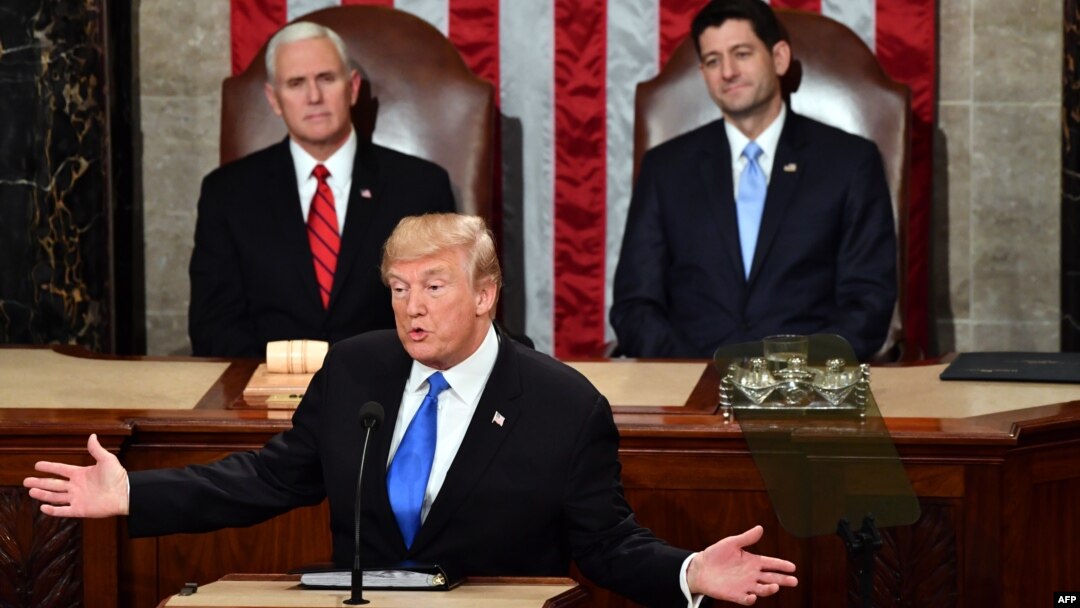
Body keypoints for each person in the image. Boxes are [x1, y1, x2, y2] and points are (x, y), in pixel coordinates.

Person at [26, 213, 797, 607]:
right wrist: (134, 493)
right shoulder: (358, 366)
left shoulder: (563, 405)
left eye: (433, 285)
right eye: (398, 287)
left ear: (486, 294)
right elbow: (270, 479)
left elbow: (605, 545)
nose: (411, 307)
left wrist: (691, 573)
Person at [610, 0, 896, 361]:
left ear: (778, 58)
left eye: (741, 54)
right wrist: (696, 374)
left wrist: (792, 376)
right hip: (690, 387)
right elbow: (635, 305)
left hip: (806, 392)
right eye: (713, 61)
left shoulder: (849, 162)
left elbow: (868, 302)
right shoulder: (665, 168)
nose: (727, 71)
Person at [188, 21, 455, 357]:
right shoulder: (226, 193)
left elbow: (443, 313)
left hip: (388, 391)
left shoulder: (420, 187)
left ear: (353, 87)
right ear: (274, 99)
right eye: (296, 83)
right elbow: (213, 327)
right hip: (263, 393)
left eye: (326, 79)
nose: (313, 97)